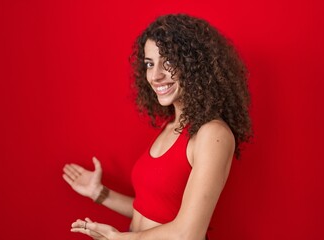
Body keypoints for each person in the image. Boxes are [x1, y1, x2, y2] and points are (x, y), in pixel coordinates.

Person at [63, 13, 252, 240]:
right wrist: (99, 193)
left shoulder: (212, 134)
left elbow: (188, 233)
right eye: (150, 64)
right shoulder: (170, 125)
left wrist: (119, 239)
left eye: (169, 62)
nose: (155, 75)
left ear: (194, 64)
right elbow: (152, 211)